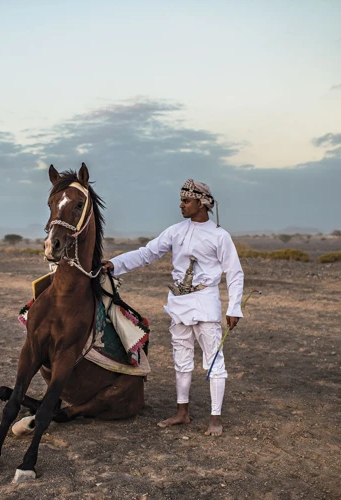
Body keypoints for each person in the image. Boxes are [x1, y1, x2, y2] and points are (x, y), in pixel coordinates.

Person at [102, 179, 244, 436]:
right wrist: (115, 264)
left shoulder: (220, 236)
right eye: (181, 200)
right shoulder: (176, 231)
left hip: (206, 305)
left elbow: (234, 273)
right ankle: (182, 412)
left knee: (214, 361)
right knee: (181, 359)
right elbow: (147, 253)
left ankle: (215, 418)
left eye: (186, 201)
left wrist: (234, 308)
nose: (181, 205)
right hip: (178, 304)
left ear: (201, 203)